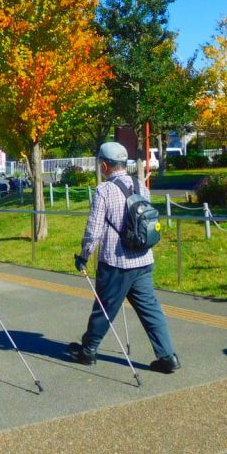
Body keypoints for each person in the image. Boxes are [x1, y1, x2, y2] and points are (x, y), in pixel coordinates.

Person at [68, 141, 180, 374]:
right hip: (143, 260)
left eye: (101, 164)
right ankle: (168, 356)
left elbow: (94, 229)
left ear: (106, 165)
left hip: (116, 263)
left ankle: (88, 351)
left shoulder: (104, 190)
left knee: (104, 308)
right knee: (151, 310)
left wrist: (84, 256)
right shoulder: (141, 186)